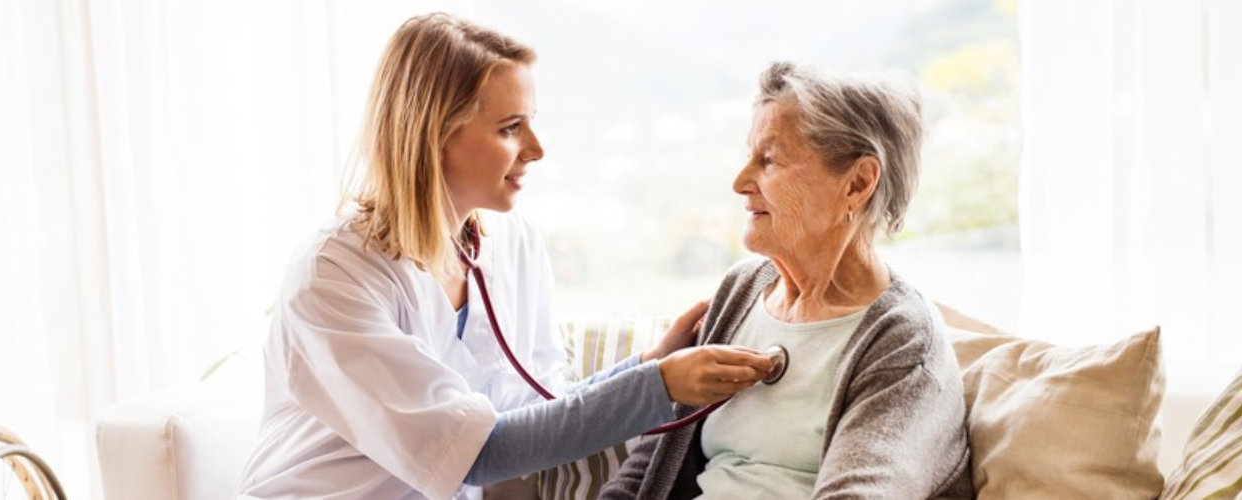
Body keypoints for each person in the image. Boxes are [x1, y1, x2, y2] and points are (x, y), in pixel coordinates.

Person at [235, 13, 776, 500]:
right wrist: (659, 386)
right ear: (433, 135)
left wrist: (650, 363)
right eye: (510, 128)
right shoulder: (333, 278)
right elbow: (480, 452)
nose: (537, 148)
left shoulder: (511, 244)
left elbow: (534, 414)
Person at [602, 62, 974, 499]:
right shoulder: (741, 291)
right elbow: (653, 461)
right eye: (749, 156)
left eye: (770, 160)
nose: (740, 182)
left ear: (857, 184)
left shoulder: (904, 342)